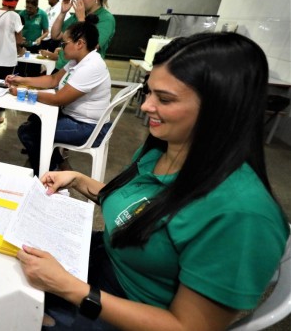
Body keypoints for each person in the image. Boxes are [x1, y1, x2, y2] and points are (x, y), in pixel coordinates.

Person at [16, 32, 289, 330]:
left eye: (165, 99)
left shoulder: (242, 216)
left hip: (122, 309)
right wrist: (78, 179)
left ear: (220, 108)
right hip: (97, 263)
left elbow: (187, 326)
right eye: (149, 92)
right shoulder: (163, 149)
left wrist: (71, 288)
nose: (145, 106)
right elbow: (137, 207)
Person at [8, 15, 110, 177]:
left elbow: (58, 99)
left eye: (64, 43)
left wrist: (24, 92)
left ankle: (49, 174)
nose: (61, 48)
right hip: (77, 117)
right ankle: (57, 163)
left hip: (89, 127)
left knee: (28, 132)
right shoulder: (78, 61)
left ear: (80, 44)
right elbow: (54, 79)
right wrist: (21, 80)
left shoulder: (91, 66)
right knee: (34, 120)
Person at [50, 0, 115, 68]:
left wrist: (81, 19)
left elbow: (91, 47)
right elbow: (55, 35)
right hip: (64, 67)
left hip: (83, 70)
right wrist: (63, 12)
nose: (79, 0)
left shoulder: (106, 19)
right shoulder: (78, 15)